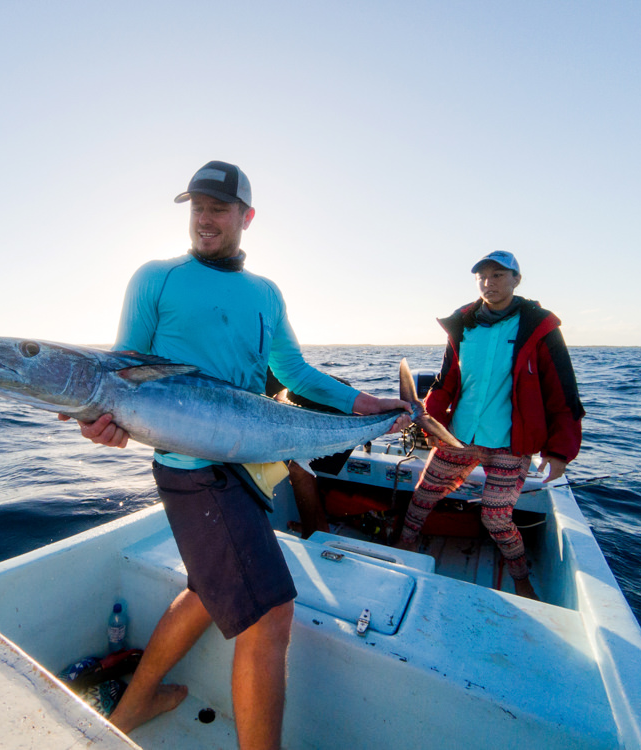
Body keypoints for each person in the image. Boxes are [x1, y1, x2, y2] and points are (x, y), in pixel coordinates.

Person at [62, 160, 409, 749]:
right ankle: (138, 705)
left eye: (218, 208)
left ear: (247, 217)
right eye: (196, 206)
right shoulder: (156, 278)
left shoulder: (265, 294)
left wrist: (364, 404)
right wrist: (103, 421)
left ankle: (137, 703)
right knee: (271, 615)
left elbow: (290, 371)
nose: (204, 218)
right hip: (193, 473)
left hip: (247, 464)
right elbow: (121, 373)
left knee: (205, 590)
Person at [396, 251, 584, 600]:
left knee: (496, 518)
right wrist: (428, 421)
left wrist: (560, 451)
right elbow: (445, 381)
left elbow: (563, 391)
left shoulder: (538, 327)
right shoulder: (464, 325)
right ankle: (404, 544)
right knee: (422, 497)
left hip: (512, 442)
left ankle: (521, 576)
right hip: (460, 437)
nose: (489, 282)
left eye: (498, 275)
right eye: (482, 276)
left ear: (517, 279)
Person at [264, 369, 356, 538]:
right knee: (301, 468)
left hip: (339, 414)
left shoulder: (256, 372)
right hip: (333, 405)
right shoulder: (267, 367)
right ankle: (319, 527)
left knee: (299, 468)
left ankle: (311, 533)